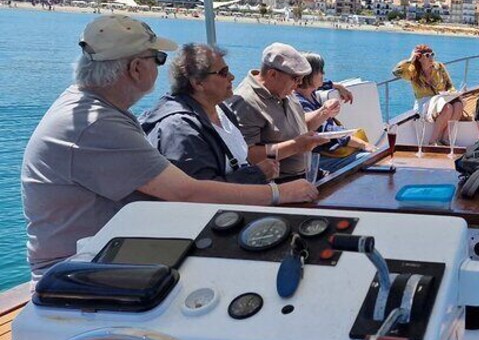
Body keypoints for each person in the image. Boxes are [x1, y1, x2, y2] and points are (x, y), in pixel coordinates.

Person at [21, 16, 318, 282]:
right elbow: (186, 192)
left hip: (110, 252)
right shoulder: (95, 124)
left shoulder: (88, 107)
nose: (160, 67)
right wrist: (279, 193)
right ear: (137, 68)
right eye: (158, 58)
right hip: (79, 271)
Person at [140, 43, 278, 184]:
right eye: (223, 72)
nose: (232, 77)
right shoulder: (180, 130)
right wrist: (257, 174)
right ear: (198, 83)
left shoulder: (222, 110)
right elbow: (199, 194)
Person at [227, 43, 329, 180]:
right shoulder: (246, 102)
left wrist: (324, 113)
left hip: (305, 175)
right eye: (295, 79)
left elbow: (295, 127)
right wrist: (295, 146)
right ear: (273, 74)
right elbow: (248, 155)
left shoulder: (283, 90)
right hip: (280, 183)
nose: (298, 84)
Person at [295, 52, 375, 173]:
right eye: (320, 71)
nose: (323, 74)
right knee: (369, 159)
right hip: (319, 157)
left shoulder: (309, 93)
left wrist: (337, 86)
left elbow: (324, 84)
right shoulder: (300, 102)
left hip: (332, 150)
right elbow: (326, 131)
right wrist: (363, 144)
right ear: (308, 74)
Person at [392, 44, 464, 144]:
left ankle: (445, 137)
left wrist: (453, 93)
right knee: (448, 108)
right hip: (424, 102)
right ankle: (433, 140)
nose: (431, 57)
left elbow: (449, 85)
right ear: (419, 58)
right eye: (427, 55)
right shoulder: (413, 71)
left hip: (442, 98)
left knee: (459, 105)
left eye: (432, 54)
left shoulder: (439, 67)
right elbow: (396, 72)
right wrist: (410, 60)